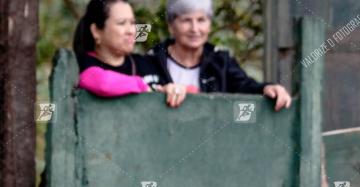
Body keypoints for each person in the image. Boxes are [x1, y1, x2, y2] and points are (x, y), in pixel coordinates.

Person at [147, 0, 292, 111]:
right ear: (171, 26)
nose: (195, 29)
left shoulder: (221, 62)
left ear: (209, 25)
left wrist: (267, 88)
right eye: (186, 20)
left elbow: (245, 86)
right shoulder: (151, 61)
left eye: (201, 20)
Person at [73, 0, 186, 107]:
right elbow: (102, 83)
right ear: (96, 31)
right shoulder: (81, 64)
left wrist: (175, 90)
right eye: (121, 23)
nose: (131, 31)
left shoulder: (148, 63)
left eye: (132, 23)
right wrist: (141, 85)